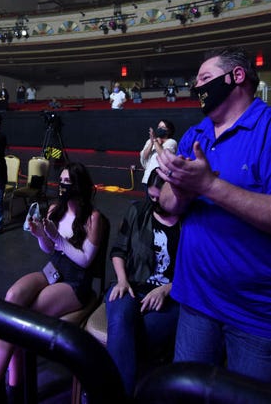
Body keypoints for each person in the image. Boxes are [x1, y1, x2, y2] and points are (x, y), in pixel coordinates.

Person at [156, 47, 271, 384]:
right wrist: (181, 186)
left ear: (236, 77)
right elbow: (168, 204)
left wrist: (208, 185)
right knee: (186, 393)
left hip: (261, 316)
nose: (197, 87)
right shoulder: (196, 134)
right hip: (197, 300)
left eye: (205, 79)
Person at [0, 163, 104, 403]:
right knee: (12, 297)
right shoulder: (54, 210)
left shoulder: (93, 219)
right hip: (53, 271)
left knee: (21, 320)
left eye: (67, 182)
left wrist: (58, 239)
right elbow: (49, 249)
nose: (62, 186)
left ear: (79, 186)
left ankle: (8, 388)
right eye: (60, 181)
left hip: (75, 282)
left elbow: (85, 260)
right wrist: (41, 234)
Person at [106, 168, 180, 395]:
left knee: (143, 334)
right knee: (120, 320)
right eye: (151, 196)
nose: (154, 202)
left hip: (170, 296)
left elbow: (195, 272)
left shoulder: (188, 221)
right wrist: (122, 280)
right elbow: (118, 250)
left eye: (159, 198)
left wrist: (166, 289)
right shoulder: (138, 211)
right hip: (131, 285)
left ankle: (112, 390)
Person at [139, 119, 177, 189]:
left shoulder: (171, 142)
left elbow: (164, 156)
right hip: (147, 179)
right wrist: (151, 142)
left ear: (169, 131)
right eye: (159, 127)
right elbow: (144, 156)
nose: (160, 129)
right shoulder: (150, 141)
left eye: (163, 127)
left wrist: (155, 141)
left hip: (161, 180)